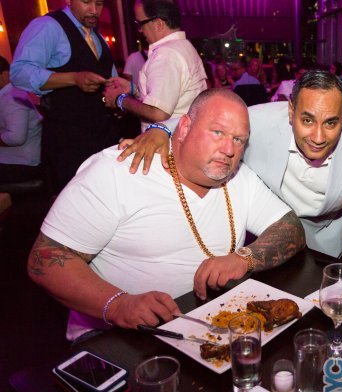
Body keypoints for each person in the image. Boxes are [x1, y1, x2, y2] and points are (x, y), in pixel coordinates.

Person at [27, 89, 305, 342]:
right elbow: (45, 258)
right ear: (183, 128)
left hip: (208, 329)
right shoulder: (119, 171)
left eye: (238, 139)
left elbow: (290, 227)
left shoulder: (239, 178)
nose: (229, 149)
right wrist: (118, 304)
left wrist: (246, 258)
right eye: (217, 132)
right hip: (116, 338)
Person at [117, 70, 342, 257]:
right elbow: (207, 119)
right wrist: (161, 130)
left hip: (327, 245)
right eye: (307, 120)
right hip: (264, 235)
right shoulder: (260, 122)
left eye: (331, 123)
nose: (319, 136)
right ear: (290, 110)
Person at [10, 0, 120, 193]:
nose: (94, 10)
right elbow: (20, 73)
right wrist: (72, 78)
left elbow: (111, 79)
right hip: (69, 140)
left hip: (103, 135)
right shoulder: (47, 26)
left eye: (99, 4)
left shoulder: (96, 36)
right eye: (86, 2)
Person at [103, 0, 207, 133]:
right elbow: (169, 96)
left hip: (170, 142)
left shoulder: (166, 55)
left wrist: (119, 99)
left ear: (158, 24)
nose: (140, 30)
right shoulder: (184, 46)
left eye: (140, 23)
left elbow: (158, 113)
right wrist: (134, 89)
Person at [0, 56, 43, 184]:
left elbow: (16, 138)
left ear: (4, 75)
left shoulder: (12, 99)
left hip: (20, 164)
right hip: (13, 161)